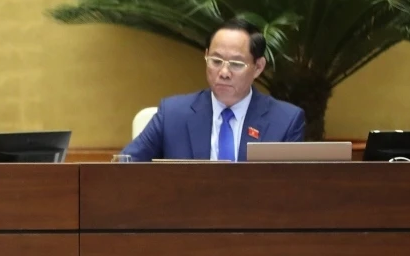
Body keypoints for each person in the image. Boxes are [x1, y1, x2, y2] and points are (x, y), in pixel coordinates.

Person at [121, 18, 305, 161]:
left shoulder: (285, 121)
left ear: (258, 67)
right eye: (216, 61)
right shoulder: (172, 115)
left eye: (236, 64)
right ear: (206, 56)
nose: (224, 73)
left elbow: (294, 188)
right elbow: (125, 165)